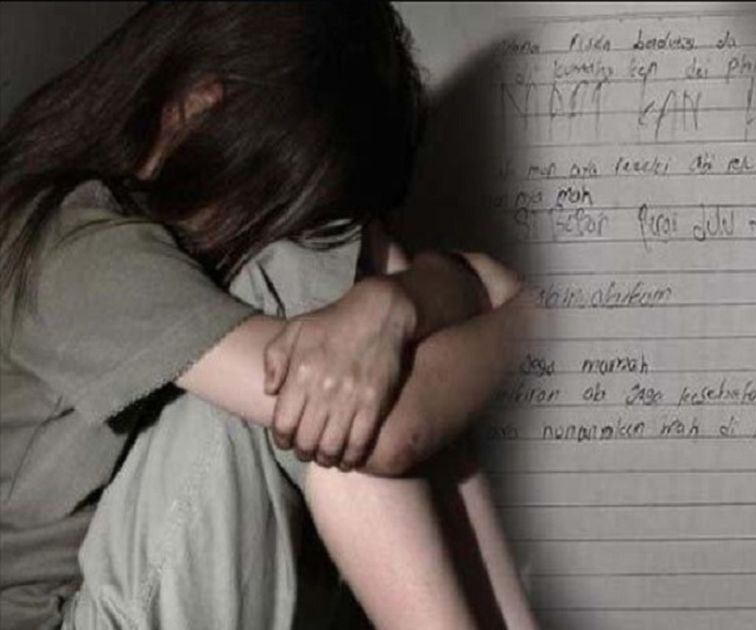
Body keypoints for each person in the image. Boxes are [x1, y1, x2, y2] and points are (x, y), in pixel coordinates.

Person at [0, 3, 537, 629]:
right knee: (305, 332)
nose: (268, 224)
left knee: (335, 326)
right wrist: (520, 320)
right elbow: (381, 433)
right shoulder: (76, 249)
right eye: (272, 195)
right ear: (196, 107)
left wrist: (402, 299)